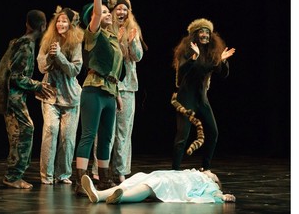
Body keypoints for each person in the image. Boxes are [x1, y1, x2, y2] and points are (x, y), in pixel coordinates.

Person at [74, 0, 124, 196]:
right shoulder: (93, 34)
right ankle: (80, 181)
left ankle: (104, 179)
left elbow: (115, 71)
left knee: (106, 136)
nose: (107, 13)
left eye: (107, 11)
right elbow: (95, 12)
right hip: (94, 89)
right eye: (103, 11)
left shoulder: (112, 37)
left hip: (110, 92)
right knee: (89, 134)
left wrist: (118, 95)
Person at [92, 0, 148, 183]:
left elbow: (138, 57)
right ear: (113, 11)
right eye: (119, 9)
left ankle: (121, 171)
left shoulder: (133, 29)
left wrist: (132, 42)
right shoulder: (107, 29)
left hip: (128, 88)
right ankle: (98, 170)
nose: (122, 12)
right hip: (108, 85)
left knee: (124, 133)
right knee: (105, 131)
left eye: (125, 9)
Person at [171, 18, 235, 171]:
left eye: (207, 32)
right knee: (182, 136)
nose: (205, 35)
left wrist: (223, 61)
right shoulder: (187, 51)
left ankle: (205, 167)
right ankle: (175, 171)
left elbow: (223, 73)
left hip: (201, 98)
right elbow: (184, 73)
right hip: (186, 98)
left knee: (213, 132)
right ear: (195, 35)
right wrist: (194, 58)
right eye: (202, 32)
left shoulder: (211, 52)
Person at [2, 10, 53, 189]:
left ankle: (13, 175)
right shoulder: (25, 45)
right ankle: (13, 176)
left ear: (27, 24)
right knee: (24, 131)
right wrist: (37, 85)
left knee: (21, 133)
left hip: (17, 97)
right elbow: (16, 76)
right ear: (42, 26)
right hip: (13, 98)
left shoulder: (28, 43)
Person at [36, 6, 84, 185]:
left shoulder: (76, 42)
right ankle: (46, 175)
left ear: (71, 24)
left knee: (68, 137)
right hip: (50, 94)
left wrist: (61, 57)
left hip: (70, 96)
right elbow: (41, 67)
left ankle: (63, 174)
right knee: (50, 130)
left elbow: (75, 70)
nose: (61, 24)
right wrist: (50, 55)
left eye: (65, 21)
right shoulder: (48, 40)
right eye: (59, 20)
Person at [81, 169, 236, 204]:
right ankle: (98, 194)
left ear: (215, 180)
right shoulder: (194, 172)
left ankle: (121, 198)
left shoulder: (208, 183)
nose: (207, 170)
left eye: (212, 173)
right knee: (137, 179)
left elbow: (214, 193)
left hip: (173, 184)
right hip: (166, 176)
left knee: (151, 185)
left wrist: (222, 195)